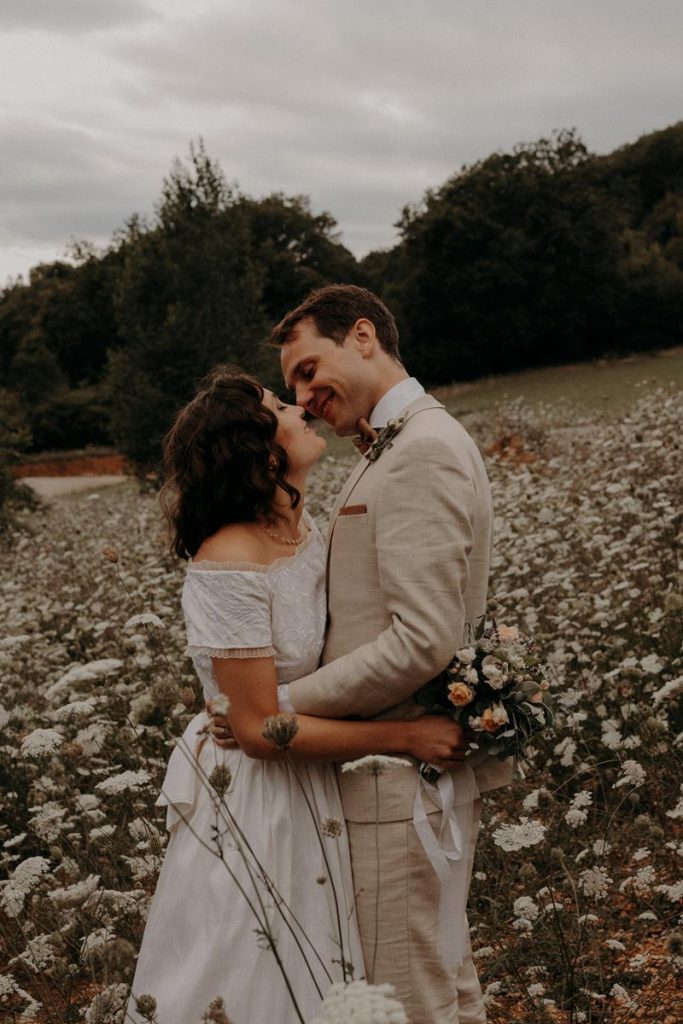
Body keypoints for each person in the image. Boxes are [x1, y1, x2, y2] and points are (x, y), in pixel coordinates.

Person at [126, 366, 468, 1024]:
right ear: (256, 445)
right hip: (261, 798)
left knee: (333, 972)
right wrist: (405, 735)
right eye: (280, 405)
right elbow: (254, 732)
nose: (301, 408)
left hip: (316, 778)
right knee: (265, 976)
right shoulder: (228, 560)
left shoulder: (307, 526)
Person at [213, 285, 513, 1023]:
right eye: (293, 387)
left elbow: (421, 639)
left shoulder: (419, 451)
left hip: (397, 780)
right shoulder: (395, 445)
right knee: (441, 984)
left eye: (311, 370)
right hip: (392, 772)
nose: (307, 395)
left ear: (363, 336)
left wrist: (277, 708)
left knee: (403, 999)